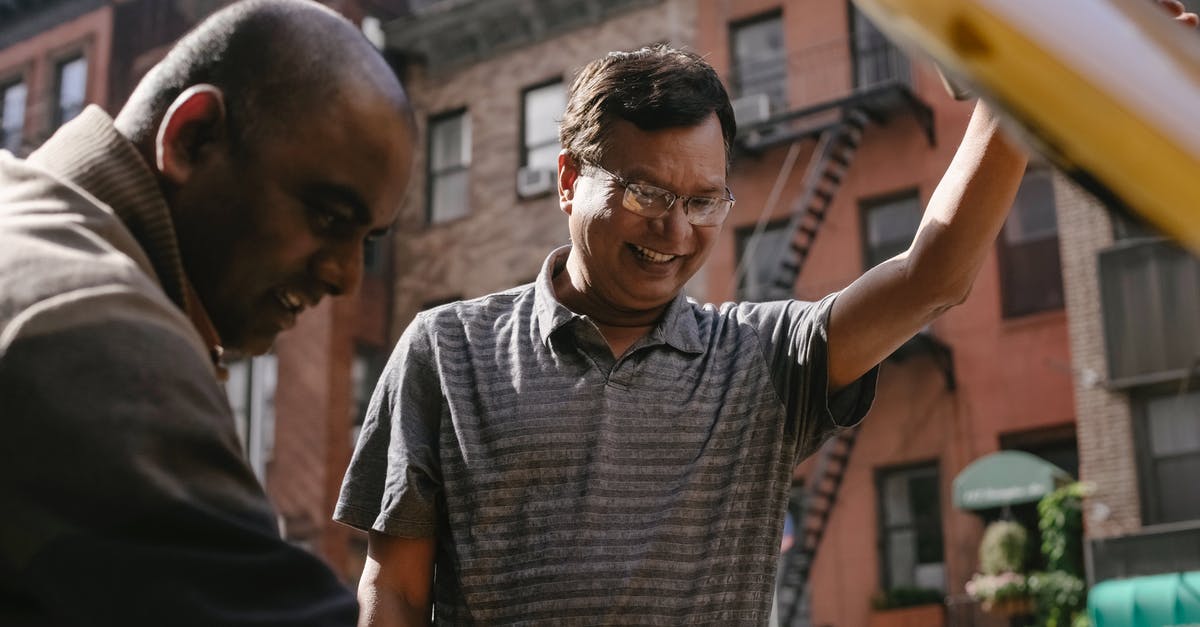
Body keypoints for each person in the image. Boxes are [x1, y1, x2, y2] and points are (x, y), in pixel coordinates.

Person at [336, 4, 1196, 624]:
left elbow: (934, 275)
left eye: (706, 201)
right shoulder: (444, 351)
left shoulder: (760, 359)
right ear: (569, 180)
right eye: (644, 192)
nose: (676, 230)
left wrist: (1032, 87)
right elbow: (398, 591)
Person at [0, 1, 414, 625]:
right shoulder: (91, 321)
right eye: (328, 218)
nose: (345, 277)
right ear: (192, 137)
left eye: (367, 242)